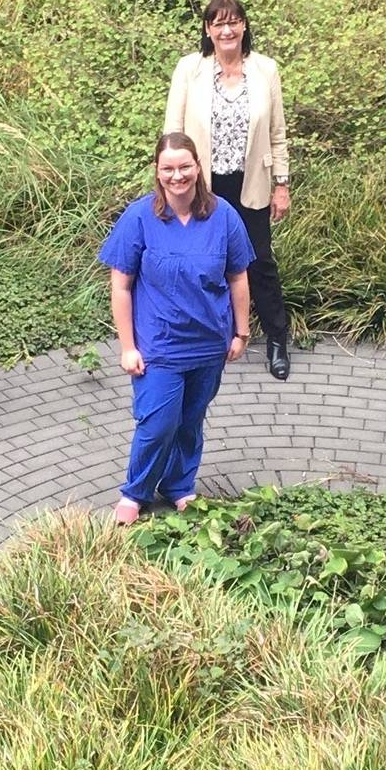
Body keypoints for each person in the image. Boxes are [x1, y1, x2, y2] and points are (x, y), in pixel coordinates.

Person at [99, 133, 253, 524]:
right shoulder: (139, 217)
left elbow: (238, 277)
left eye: (185, 166)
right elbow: (121, 286)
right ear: (157, 171)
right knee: (158, 423)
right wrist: (127, 346)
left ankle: (179, 485)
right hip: (159, 344)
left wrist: (241, 332)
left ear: (198, 167)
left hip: (208, 342)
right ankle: (135, 492)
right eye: (168, 168)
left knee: (190, 421)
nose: (177, 175)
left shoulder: (223, 216)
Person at [164, 0, 293, 380]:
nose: (226, 30)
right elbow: (173, 131)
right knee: (198, 259)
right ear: (208, 29)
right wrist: (171, 178)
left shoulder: (265, 70)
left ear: (244, 25)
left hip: (250, 181)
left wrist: (282, 184)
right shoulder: (190, 70)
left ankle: (277, 338)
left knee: (259, 262)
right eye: (218, 23)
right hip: (201, 183)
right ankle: (203, 337)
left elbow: (277, 134)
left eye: (233, 22)